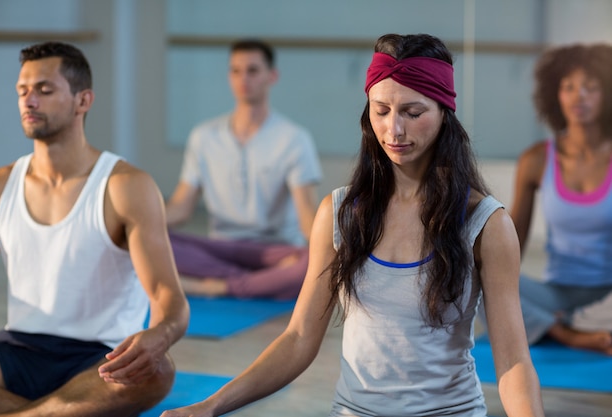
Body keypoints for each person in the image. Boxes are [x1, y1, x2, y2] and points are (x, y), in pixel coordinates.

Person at [161, 33, 544, 417]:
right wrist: (210, 407)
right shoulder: (341, 211)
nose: (394, 130)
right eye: (381, 110)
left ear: (445, 111)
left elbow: (512, 361)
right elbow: (298, 338)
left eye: (412, 113)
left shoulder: (486, 223)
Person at [0, 42, 189, 416]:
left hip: (101, 361)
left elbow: (169, 299)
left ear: (83, 101)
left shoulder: (126, 186)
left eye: (45, 90)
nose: (29, 101)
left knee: (158, 371)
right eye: (22, 91)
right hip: (14, 353)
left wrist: (157, 335)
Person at [165, 38, 322, 300]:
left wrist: (335, 248)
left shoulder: (294, 139)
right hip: (221, 246)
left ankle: (217, 285)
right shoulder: (203, 136)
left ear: (272, 76)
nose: (243, 79)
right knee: (155, 241)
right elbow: (181, 208)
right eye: (235, 71)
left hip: (275, 251)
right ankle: (260, 284)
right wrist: (135, 224)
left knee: (311, 264)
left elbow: (308, 221)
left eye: (253, 70)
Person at [509, 42, 612, 354]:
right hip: (555, 295)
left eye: (590, 87)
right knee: (473, 277)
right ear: (555, 94)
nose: (578, 96)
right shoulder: (536, 160)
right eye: (568, 87)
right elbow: (510, 243)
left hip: (608, 295)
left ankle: (548, 325)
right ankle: (565, 333)